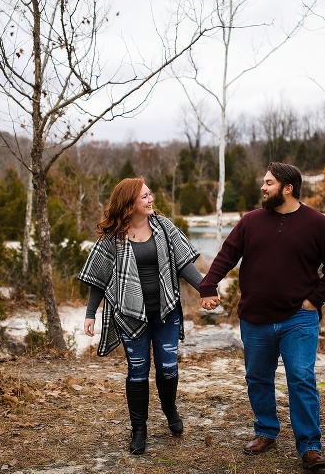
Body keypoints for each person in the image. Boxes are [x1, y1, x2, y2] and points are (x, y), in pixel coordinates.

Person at [199, 162, 325, 471]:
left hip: (298, 319)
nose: (263, 187)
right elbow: (227, 254)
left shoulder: (317, 223)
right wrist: (209, 284)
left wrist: (315, 299)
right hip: (255, 318)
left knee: (302, 378)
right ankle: (266, 431)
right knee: (257, 378)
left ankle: (309, 446)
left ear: (287, 187)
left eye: (269, 183)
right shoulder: (251, 221)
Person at [78, 177, 203, 455]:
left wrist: (206, 287)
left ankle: (170, 411)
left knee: (168, 367)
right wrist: (90, 313)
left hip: (166, 312)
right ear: (129, 203)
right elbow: (99, 278)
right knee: (137, 371)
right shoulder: (113, 238)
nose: (150, 200)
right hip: (131, 314)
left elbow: (185, 264)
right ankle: (139, 429)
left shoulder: (163, 227)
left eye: (150, 195)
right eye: (144, 196)